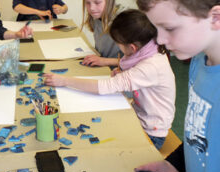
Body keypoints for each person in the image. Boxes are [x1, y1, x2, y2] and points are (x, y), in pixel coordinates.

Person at [133, 0, 220, 172]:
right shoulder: (198, 62)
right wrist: (173, 166)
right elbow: (200, 137)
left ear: (215, 17)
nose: (159, 40)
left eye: (169, 28)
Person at [45, 9, 176, 150]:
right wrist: (123, 73)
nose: (118, 47)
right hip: (139, 115)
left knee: (101, 145)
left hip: (151, 133)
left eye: (118, 44)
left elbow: (104, 86)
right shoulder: (148, 48)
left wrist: (65, 81)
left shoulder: (151, 66)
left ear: (132, 47)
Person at [81, 0, 124, 68]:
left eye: (97, 3)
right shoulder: (95, 17)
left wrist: (104, 61)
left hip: (120, 73)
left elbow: (137, 60)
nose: (92, 8)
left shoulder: (123, 21)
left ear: (109, 0)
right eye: (88, 3)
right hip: (103, 68)